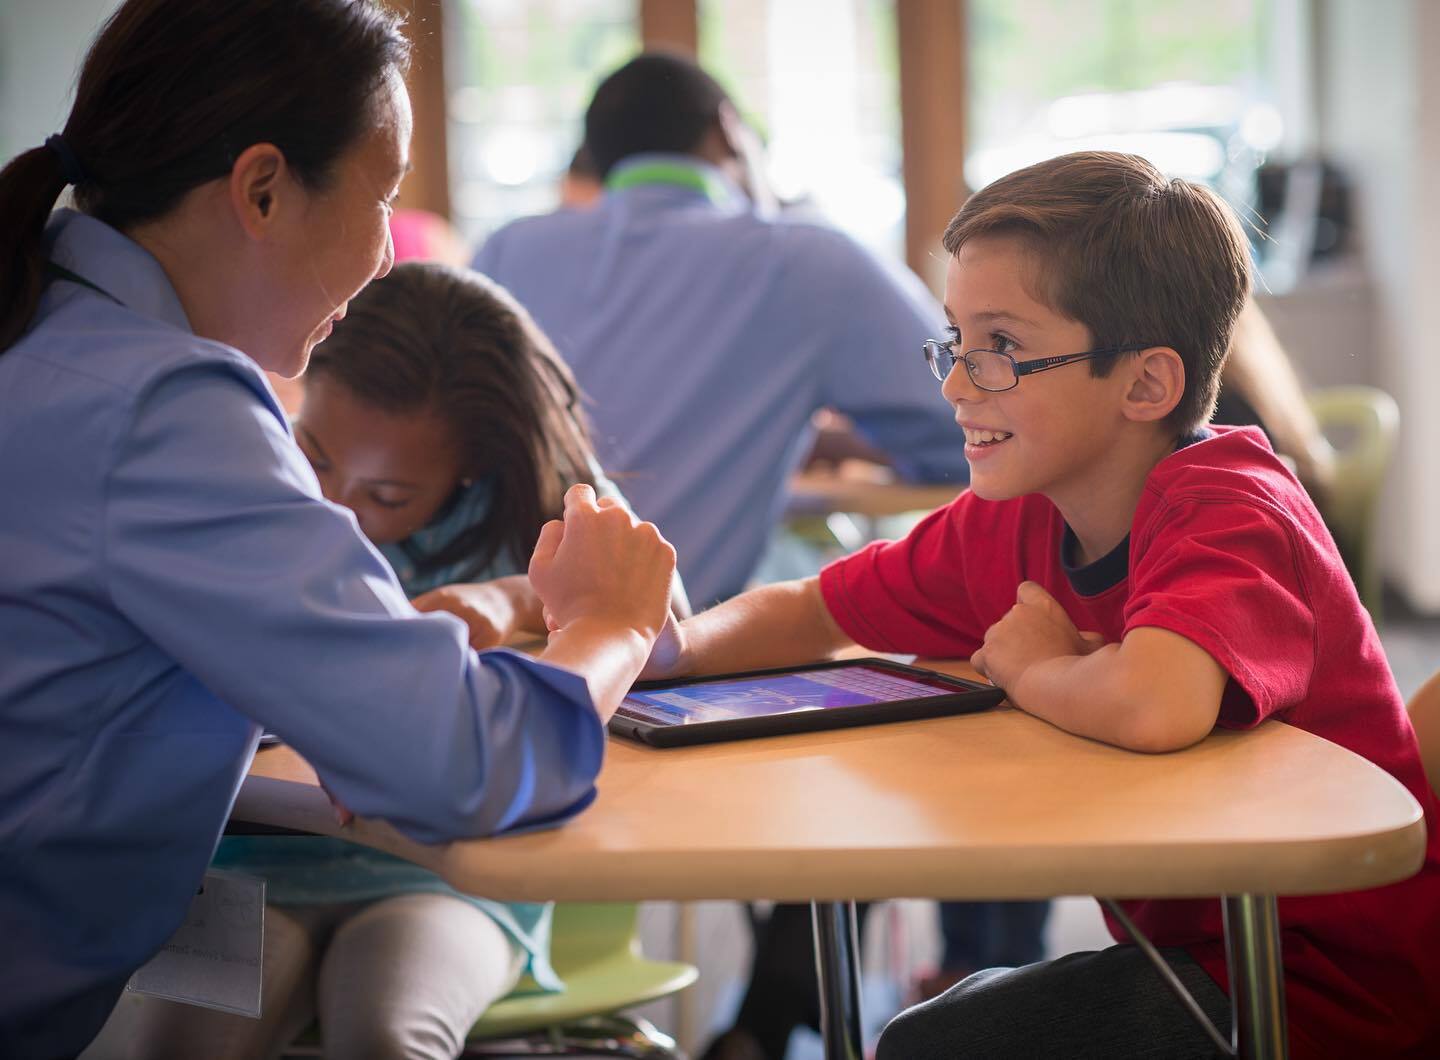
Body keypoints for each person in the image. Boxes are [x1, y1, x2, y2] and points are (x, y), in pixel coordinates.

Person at [641, 151, 1440, 1057]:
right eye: (956, 343)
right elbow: (816, 607)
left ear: (1146, 385)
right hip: (1191, 953)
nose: (954, 386)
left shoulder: (1233, 509)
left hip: (1322, 991)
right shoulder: (1009, 517)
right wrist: (670, 651)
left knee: (931, 1047)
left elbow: (1155, 702)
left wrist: (1032, 666)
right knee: (941, 1027)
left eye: (1002, 352)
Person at [0, 3, 674, 1057]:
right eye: (388, 189)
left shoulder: (44, 327)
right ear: (262, 188)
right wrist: (606, 626)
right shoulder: (166, 408)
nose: (383, 250)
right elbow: (461, 764)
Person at [473, 52, 968, 608]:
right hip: (667, 647)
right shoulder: (807, 258)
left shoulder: (507, 248)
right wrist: (867, 441)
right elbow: (974, 417)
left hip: (493, 625)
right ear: (728, 131)